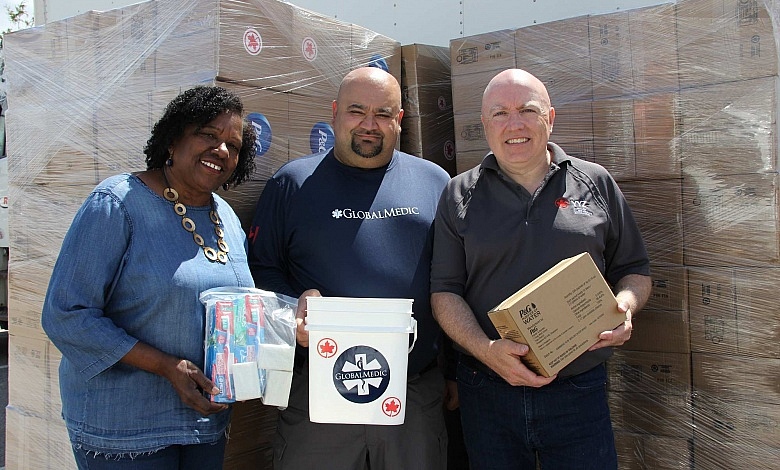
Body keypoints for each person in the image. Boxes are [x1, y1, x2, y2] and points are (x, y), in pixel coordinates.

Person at [430, 69, 652, 470]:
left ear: (550, 117)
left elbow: (635, 269)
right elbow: (444, 292)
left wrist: (624, 306)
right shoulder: (458, 194)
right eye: (499, 113)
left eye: (526, 110)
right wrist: (487, 351)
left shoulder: (595, 182)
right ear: (484, 125)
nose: (514, 124)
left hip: (578, 390)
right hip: (488, 390)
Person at [41, 85, 258, 470]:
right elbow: (67, 314)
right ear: (173, 139)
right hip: (126, 432)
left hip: (204, 426)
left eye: (233, 145)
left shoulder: (226, 217)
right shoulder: (117, 204)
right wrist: (164, 365)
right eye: (208, 134)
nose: (222, 150)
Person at [248, 66, 451, 470]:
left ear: (400, 121)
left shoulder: (435, 183)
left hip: (413, 393)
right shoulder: (292, 183)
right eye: (357, 111)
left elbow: (455, 283)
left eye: (383, 114)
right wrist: (293, 306)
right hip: (316, 393)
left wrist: (456, 372)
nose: (369, 125)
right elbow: (260, 271)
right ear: (336, 112)